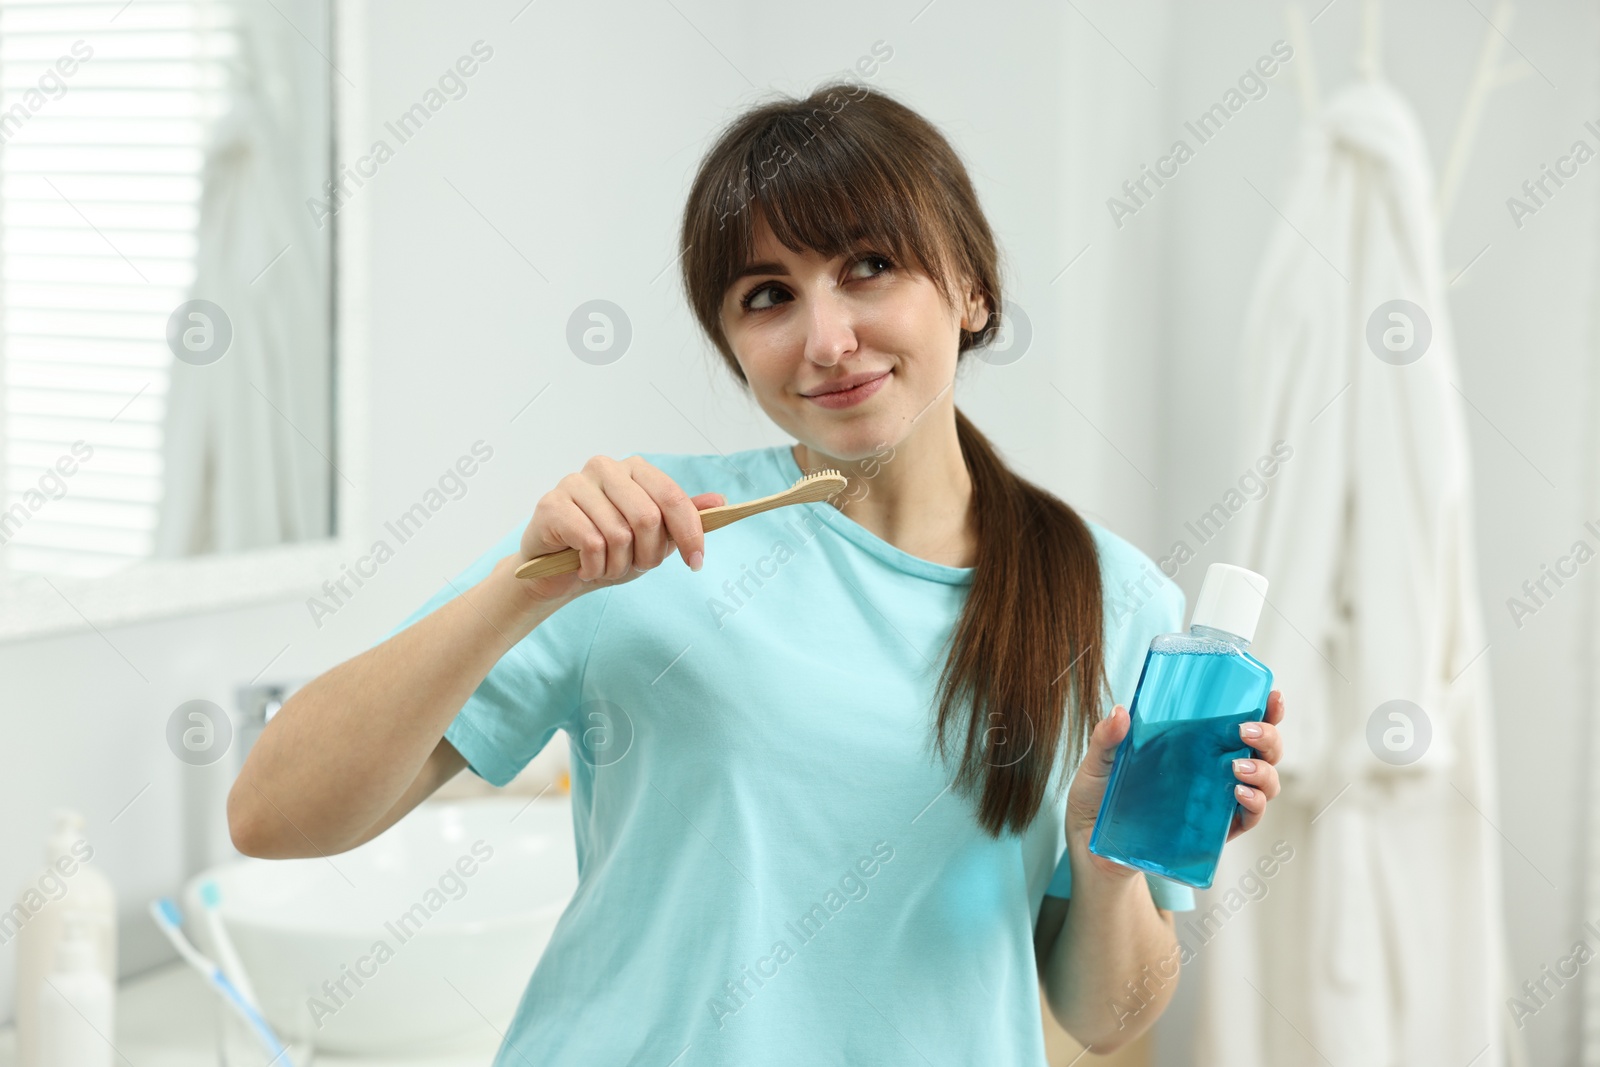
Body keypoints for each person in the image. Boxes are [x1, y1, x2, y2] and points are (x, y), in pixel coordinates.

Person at [228, 80, 1286, 1064]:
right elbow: (272, 815)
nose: (826, 338)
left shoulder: (1116, 597)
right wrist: (524, 586)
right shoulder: (648, 536)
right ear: (733, 343)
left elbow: (1107, 1015)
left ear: (969, 287)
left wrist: (1101, 866)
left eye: (869, 266)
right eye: (767, 295)